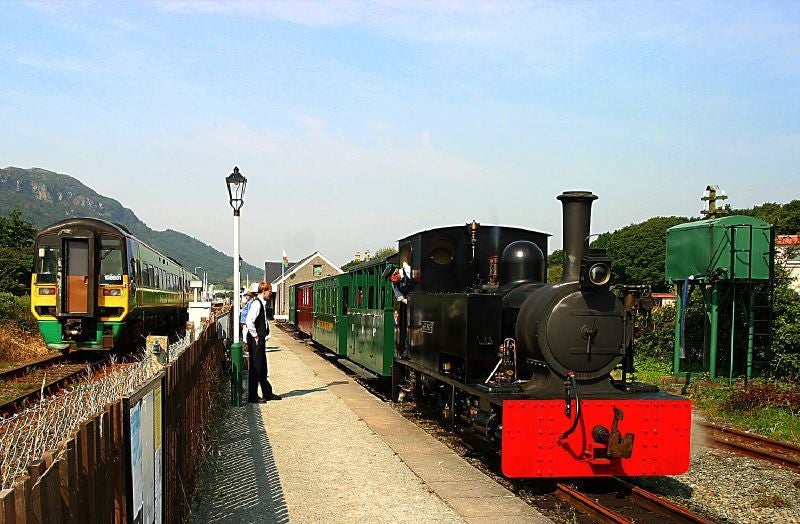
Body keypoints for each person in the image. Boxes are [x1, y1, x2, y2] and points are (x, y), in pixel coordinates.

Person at [245, 281, 282, 403]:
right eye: (269, 291)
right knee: (256, 367)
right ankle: (253, 396)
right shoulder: (257, 304)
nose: (271, 293)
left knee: (262, 366)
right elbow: (249, 321)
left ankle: (267, 393)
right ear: (263, 291)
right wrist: (255, 336)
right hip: (256, 339)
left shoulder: (261, 303)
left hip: (260, 339)